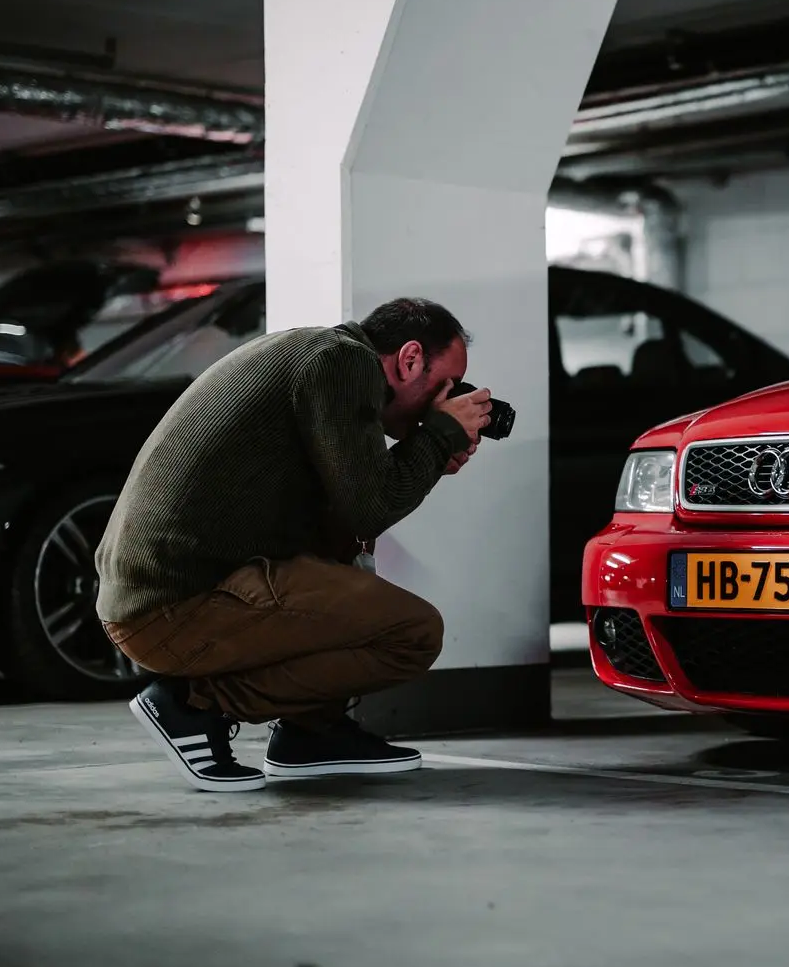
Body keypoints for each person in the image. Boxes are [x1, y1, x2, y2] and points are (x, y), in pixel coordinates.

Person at [94, 297, 499, 792]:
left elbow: (346, 518)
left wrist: (432, 452)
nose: (448, 399)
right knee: (412, 634)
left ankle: (312, 733)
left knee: (345, 565)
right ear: (409, 359)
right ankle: (192, 704)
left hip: (156, 595)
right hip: (170, 609)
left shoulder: (314, 354)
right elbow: (370, 507)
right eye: (446, 385)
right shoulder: (344, 363)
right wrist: (436, 439)